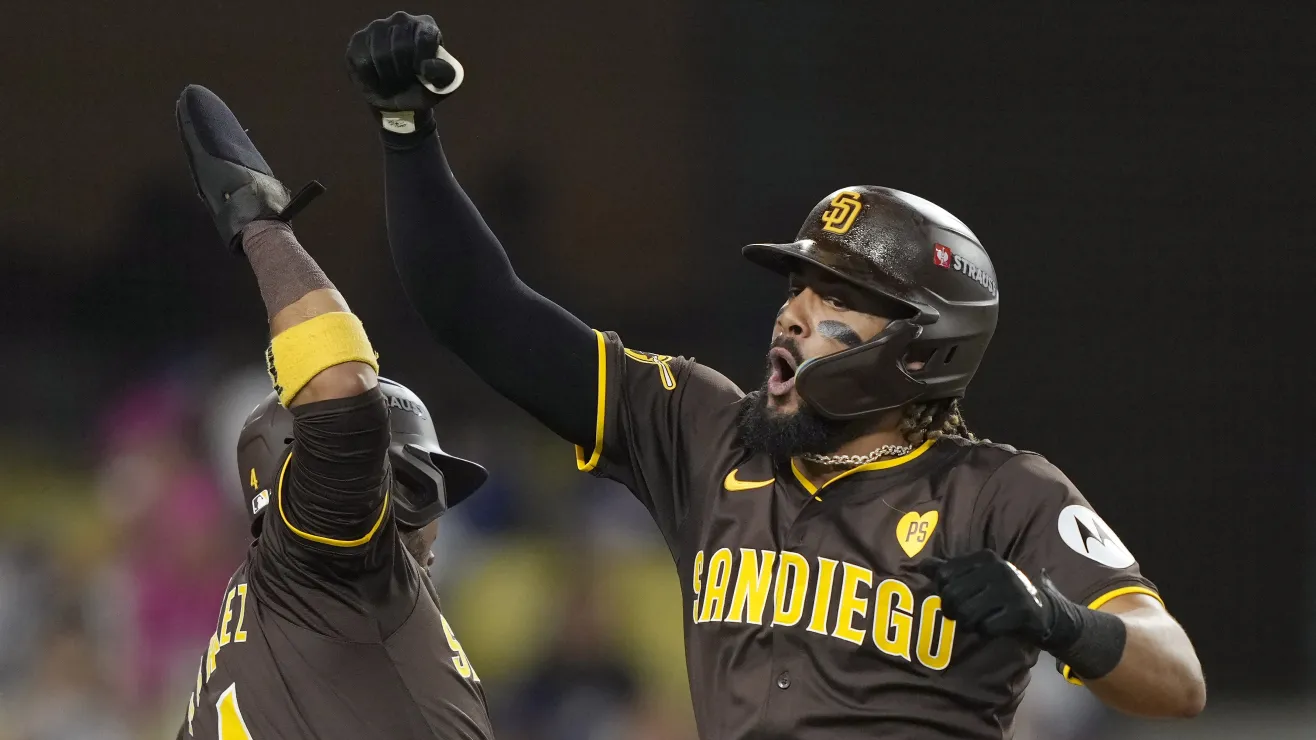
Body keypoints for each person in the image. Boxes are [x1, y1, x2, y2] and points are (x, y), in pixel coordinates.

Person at [344, 12, 1206, 739]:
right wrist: (405, 132)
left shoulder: (1000, 493)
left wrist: (1057, 618)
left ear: (921, 346)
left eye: (837, 297)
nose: (793, 312)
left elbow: (1177, 676)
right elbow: (479, 311)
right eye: (797, 285)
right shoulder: (702, 429)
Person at [173, 83, 494, 739]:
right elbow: (339, 384)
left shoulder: (271, 630)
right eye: (403, 481)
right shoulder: (328, 569)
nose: (429, 512)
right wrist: (260, 226)